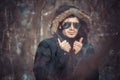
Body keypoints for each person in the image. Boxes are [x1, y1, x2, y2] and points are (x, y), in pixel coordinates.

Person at [33, 5, 99, 80]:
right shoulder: (47, 45)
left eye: (76, 25)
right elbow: (40, 75)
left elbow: (94, 76)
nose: (72, 28)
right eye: (67, 24)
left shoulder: (87, 46)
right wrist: (62, 55)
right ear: (60, 25)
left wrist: (80, 55)